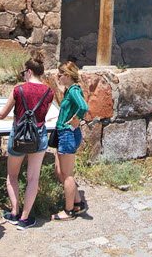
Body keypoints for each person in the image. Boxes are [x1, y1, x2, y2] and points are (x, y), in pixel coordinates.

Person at [0, 50, 55, 230]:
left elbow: (2, 114)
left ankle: (14, 212)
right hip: (38, 136)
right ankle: (25, 218)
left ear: (28, 71)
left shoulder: (18, 89)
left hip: (19, 136)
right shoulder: (49, 92)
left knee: (12, 176)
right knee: (33, 179)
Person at [52, 61, 90, 220]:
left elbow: (83, 107)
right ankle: (77, 203)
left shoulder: (74, 90)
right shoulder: (70, 90)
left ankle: (69, 211)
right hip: (65, 133)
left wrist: (75, 119)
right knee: (60, 171)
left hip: (67, 134)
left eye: (60, 75)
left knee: (67, 174)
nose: (58, 77)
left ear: (67, 75)